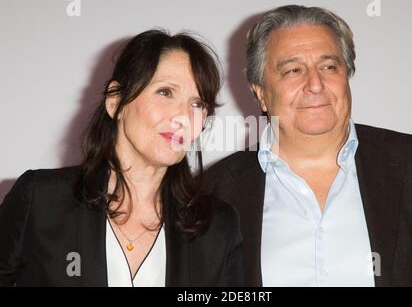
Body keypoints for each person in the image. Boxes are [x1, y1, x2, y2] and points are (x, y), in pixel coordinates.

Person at [204, 5, 412, 286]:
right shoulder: (216, 191)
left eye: (329, 67)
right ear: (260, 93)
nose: (315, 84)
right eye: (293, 70)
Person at [0, 30, 243, 287]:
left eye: (197, 104)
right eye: (165, 92)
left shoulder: (217, 226)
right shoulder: (41, 200)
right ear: (116, 102)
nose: (183, 117)